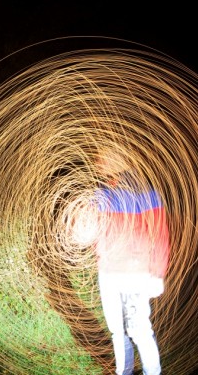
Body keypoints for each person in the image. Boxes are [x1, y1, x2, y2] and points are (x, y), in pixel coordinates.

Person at [70, 150, 170, 375]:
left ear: (120, 158)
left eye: (104, 156)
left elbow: (160, 235)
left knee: (139, 330)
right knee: (117, 331)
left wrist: (157, 274)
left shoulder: (146, 193)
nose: (98, 161)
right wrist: (80, 226)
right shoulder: (101, 193)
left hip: (134, 273)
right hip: (108, 272)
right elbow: (90, 232)